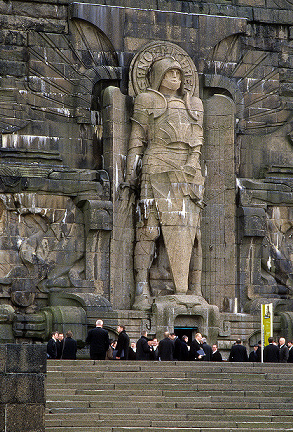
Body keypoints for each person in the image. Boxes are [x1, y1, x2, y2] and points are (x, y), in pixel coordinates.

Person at [125, 56, 205, 308]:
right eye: (170, 74)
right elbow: (137, 138)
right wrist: (130, 172)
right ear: (158, 75)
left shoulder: (194, 104)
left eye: (179, 75)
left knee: (194, 234)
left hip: (188, 168)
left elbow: (197, 139)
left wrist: (193, 161)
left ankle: (195, 289)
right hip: (156, 162)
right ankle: (142, 289)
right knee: (148, 229)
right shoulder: (146, 100)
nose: (176, 79)